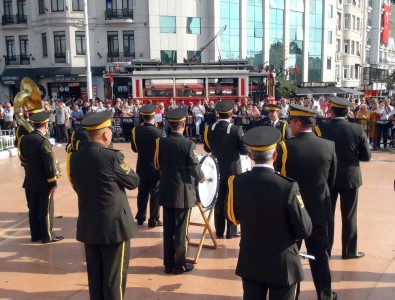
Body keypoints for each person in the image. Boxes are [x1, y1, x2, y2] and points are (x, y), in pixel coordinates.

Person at [226, 126, 312, 300]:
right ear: (275, 156)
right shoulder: (288, 186)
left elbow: (232, 217)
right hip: (282, 262)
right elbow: (305, 228)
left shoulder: (236, 182)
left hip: (251, 260)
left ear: (250, 156)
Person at [67, 111, 140, 300]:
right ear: (106, 134)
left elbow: (76, 184)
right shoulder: (112, 158)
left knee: (95, 277)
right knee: (114, 279)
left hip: (89, 225)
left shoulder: (74, 158)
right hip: (114, 227)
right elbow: (133, 181)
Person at [274, 104, 337, 300]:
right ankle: (325, 294)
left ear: (298, 123)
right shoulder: (328, 145)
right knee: (319, 254)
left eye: (291, 122)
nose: (289, 126)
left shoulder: (285, 146)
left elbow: (280, 178)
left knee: (291, 255)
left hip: (292, 211)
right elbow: (331, 180)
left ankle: (293, 294)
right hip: (319, 210)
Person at [314, 97, 371, 259]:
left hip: (328, 177)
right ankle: (349, 251)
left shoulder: (321, 129)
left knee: (327, 216)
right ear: (348, 112)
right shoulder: (357, 129)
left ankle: (326, 250)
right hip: (350, 178)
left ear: (331, 112)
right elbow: (366, 156)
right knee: (349, 216)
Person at [154, 108, 205, 275]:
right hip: (183, 193)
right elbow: (194, 169)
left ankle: (168, 264)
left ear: (169, 125)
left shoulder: (161, 142)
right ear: (183, 125)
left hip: (166, 190)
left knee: (168, 230)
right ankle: (180, 264)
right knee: (181, 231)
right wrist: (203, 177)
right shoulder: (188, 144)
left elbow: (158, 164)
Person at [203, 100, 248, 239]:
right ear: (232, 114)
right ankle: (231, 231)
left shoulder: (209, 129)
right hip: (233, 170)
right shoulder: (237, 130)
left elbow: (207, 148)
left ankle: (219, 231)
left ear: (218, 113)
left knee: (218, 200)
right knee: (232, 200)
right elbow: (244, 151)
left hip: (216, 169)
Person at [18, 111, 63, 243]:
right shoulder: (44, 141)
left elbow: (23, 158)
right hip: (44, 182)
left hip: (30, 180)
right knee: (46, 210)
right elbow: (48, 165)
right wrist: (53, 182)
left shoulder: (24, 139)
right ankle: (47, 236)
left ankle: (35, 235)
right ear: (46, 124)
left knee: (33, 209)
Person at [131, 104, 165, 227]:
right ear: (154, 117)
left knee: (142, 193)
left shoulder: (136, 131)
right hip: (156, 168)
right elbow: (162, 152)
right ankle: (153, 219)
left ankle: (140, 217)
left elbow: (134, 149)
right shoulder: (159, 132)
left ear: (143, 116)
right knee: (155, 194)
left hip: (141, 167)